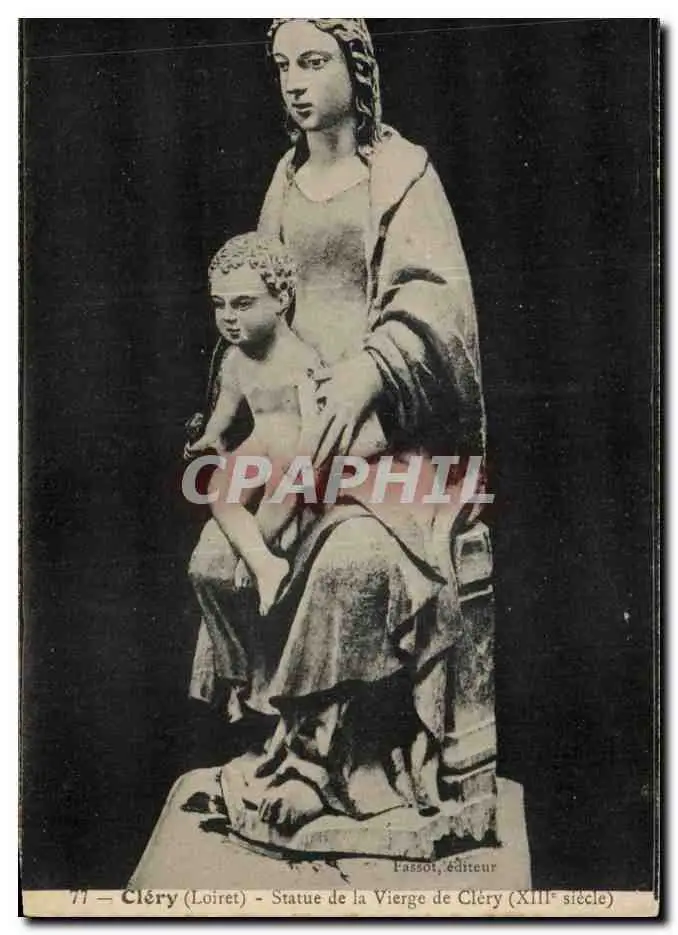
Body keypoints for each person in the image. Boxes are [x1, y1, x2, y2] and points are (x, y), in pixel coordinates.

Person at [187, 18, 487, 839]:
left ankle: (326, 764)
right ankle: (277, 734)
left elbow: (438, 307)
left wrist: (372, 371)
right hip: (294, 426)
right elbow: (253, 310)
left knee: (348, 562)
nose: (295, 81)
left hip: (391, 436)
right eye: (283, 65)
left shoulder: (402, 175)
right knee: (217, 556)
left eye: (314, 61)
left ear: (357, 69)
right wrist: (236, 410)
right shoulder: (284, 180)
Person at [185, 231, 386, 615]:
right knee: (218, 489)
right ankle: (264, 563)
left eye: (243, 304)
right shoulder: (234, 361)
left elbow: (315, 423)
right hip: (259, 445)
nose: (229, 317)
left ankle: (259, 560)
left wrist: (306, 468)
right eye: (220, 305)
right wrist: (208, 439)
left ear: (281, 299)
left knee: (280, 496)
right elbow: (224, 415)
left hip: (294, 451)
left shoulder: (300, 360)